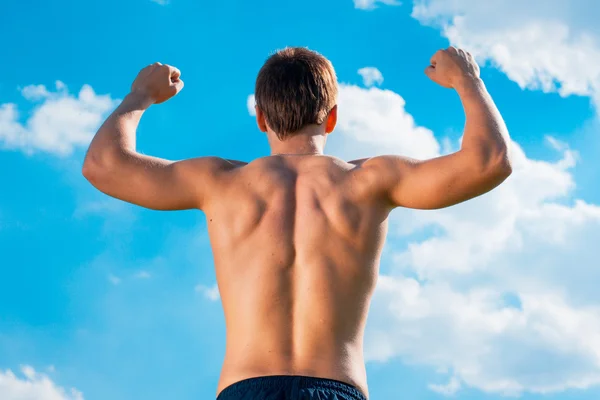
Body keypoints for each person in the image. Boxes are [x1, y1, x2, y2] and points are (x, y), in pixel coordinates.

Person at [82, 46, 512, 400]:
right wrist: (466, 80)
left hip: (244, 389)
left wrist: (141, 95)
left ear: (261, 119)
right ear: (332, 118)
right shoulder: (370, 181)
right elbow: (490, 161)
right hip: (336, 388)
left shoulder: (219, 183)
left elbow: (103, 165)